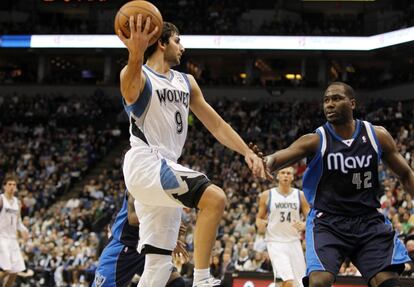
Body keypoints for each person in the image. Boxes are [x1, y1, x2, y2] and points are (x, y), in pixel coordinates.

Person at [116, 15, 265, 287]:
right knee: (215, 198)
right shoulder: (136, 75)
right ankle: (202, 279)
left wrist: (246, 152)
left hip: (165, 168)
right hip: (146, 163)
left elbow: (217, 125)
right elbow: (129, 87)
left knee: (158, 268)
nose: (182, 47)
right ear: (161, 43)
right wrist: (135, 51)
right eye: (177, 40)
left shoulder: (187, 82)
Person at [263, 82, 414, 287]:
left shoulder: (376, 135)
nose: (329, 104)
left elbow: (405, 174)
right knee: (318, 282)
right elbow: (282, 156)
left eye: (336, 99)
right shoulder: (316, 140)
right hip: (328, 223)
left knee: (388, 283)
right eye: (326, 100)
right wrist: (266, 161)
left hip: (368, 221)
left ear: (352, 103)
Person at [92, 190, 186, 287]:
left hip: (145, 246)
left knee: (175, 282)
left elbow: (158, 221)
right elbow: (132, 219)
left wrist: (171, 238)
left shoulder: (167, 187)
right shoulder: (139, 181)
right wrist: (168, 223)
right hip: (123, 247)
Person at [256, 166, 310, 287]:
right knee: (288, 281)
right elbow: (259, 218)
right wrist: (260, 224)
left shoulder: (300, 195)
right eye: (283, 172)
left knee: (299, 283)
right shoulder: (267, 195)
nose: (285, 175)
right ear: (278, 176)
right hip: (275, 242)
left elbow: (310, 219)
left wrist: (305, 224)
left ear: (292, 177)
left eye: (288, 173)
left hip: (294, 242)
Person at [0, 176, 29, 287]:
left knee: (15, 271)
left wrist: (23, 230)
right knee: (6, 269)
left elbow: (18, 221)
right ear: (4, 186)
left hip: (13, 239)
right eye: (9, 184)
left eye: (14, 185)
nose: (12, 187)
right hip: (1, 237)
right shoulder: (1, 199)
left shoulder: (17, 202)